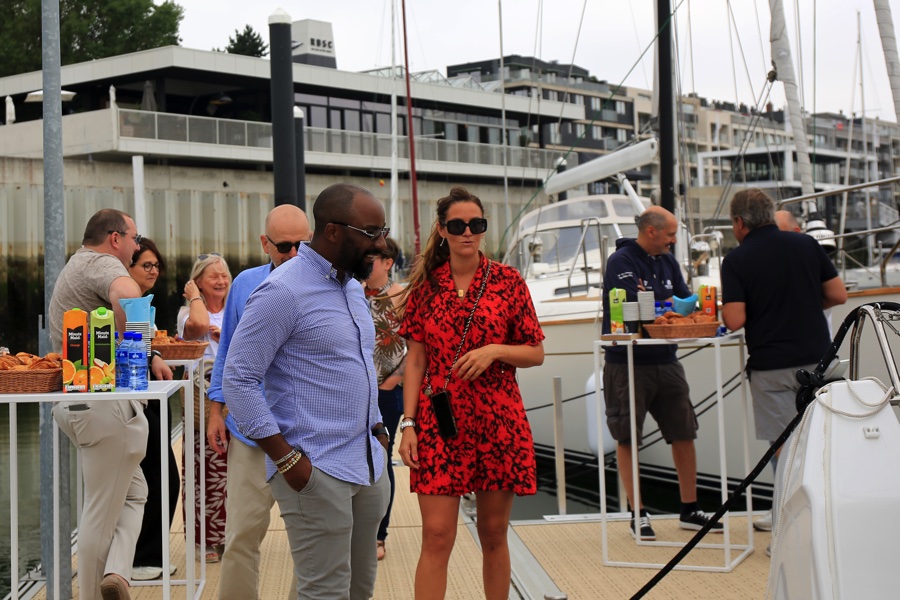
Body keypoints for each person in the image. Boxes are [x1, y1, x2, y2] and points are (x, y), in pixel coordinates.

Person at [224, 183, 390, 599]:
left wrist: (379, 429)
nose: (381, 244)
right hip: (316, 467)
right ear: (333, 231)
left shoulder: (352, 287)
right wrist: (286, 459)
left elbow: (357, 365)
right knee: (324, 593)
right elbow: (239, 379)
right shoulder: (282, 291)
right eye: (371, 233)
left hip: (367, 464)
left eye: (382, 231)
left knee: (359, 590)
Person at [397, 186, 545, 600]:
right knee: (436, 534)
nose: (468, 232)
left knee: (494, 533)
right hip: (440, 421)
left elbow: (535, 352)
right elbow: (415, 363)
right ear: (442, 229)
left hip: (499, 419)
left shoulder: (508, 281)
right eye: (458, 225)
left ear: (484, 228)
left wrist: (495, 350)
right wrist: (408, 424)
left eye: (476, 224)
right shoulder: (426, 287)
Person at [49, 208, 169, 600]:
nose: (137, 247)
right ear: (115, 238)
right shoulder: (101, 263)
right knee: (99, 513)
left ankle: (116, 573)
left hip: (78, 400)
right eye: (135, 238)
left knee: (135, 494)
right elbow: (128, 294)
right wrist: (137, 347)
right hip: (103, 404)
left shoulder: (76, 265)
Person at [721, 188, 847, 538]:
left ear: (739, 222)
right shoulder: (806, 244)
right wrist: (802, 304)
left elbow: (734, 319)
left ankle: (791, 537)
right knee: (822, 444)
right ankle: (828, 525)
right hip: (819, 362)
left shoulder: (736, 260)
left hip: (771, 367)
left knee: (786, 452)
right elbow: (838, 295)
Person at [600, 205, 724, 541]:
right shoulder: (621, 261)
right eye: (670, 234)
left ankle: (690, 508)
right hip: (627, 361)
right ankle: (638, 514)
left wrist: (698, 308)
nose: (673, 241)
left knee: (684, 431)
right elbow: (632, 306)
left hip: (667, 359)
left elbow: (684, 300)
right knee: (628, 437)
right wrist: (668, 304)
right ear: (651, 231)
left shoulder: (668, 261)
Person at [206, 204, 310, 600]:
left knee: (310, 539)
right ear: (265, 243)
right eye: (284, 246)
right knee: (240, 536)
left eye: (302, 245)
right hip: (251, 431)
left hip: (305, 433)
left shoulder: (330, 283)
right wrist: (216, 411)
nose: (294, 254)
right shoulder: (246, 283)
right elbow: (228, 352)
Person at [127, 238, 178, 581]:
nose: (154, 271)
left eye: (157, 265)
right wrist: (152, 355)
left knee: (162, 476)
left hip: (149, 392)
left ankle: (148, 557)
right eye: (146, 265)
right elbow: (129, 341)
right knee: (160, 477)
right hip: (133, 396)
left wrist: (155, 354)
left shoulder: (143, 304)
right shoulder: (127, 301)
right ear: (128, 267)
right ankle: (141, 560)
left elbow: (142, 342)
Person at [177, 252, 232, 563]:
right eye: (214, 276)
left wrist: (227, 338)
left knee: (231, 469)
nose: (222, 281)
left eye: (224, 275)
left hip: (233, 397)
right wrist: (194, 297)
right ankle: (203, 540)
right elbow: (198, 325)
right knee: (202, 468)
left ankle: (229, 535)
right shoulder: (187, 313)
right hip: (202, 397)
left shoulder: (235, 310)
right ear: (198, 282)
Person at [363, 236, 406, 561]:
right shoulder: (353, 292)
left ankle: (379, 534)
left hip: (388, 391)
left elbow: (416, 346)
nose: (367, 263)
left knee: (382, 457)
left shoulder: (400, 296)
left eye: (373, 259)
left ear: (388, 262)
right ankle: (357, 530)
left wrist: (392, 382)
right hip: (355, 390)